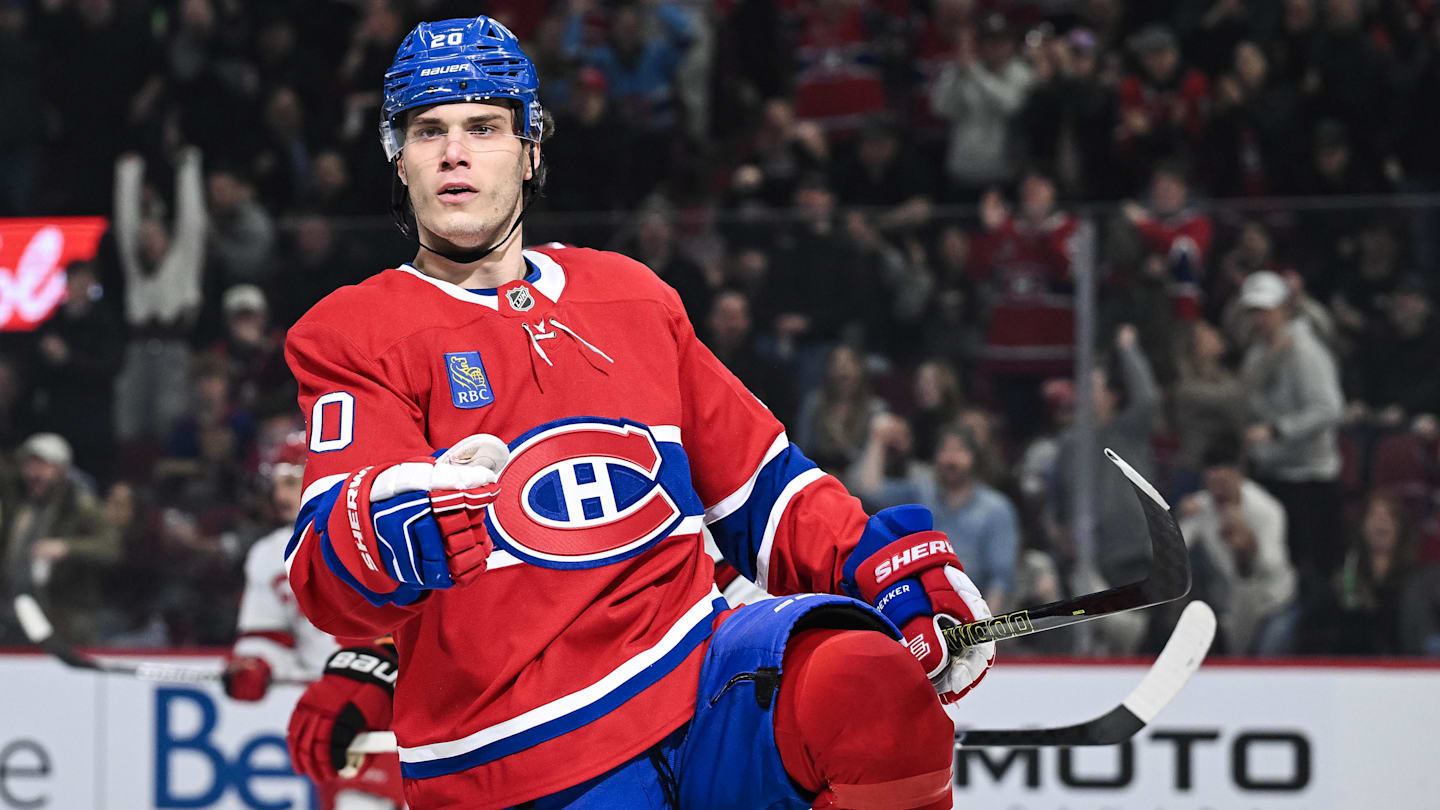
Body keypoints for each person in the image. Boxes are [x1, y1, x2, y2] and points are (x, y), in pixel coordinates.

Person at [282, 17, 995, 810]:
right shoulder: (351, 332)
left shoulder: (631, 296)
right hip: (521, 745)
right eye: (428, 131)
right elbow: (324, 574)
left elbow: (762, 487)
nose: (455, 152)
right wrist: (386, 530)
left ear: (531, 150)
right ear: (398, 155)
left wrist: (874, 563)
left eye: (484, 126)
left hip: (702, 679)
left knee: (866, 691)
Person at [223, 435, 405, 809]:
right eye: (275, 483)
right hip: (350, 715)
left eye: (290, 480)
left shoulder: (381, 524)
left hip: (418, 702)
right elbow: (267, 634)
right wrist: (256, 664)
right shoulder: (270, 553)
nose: (279, 494)